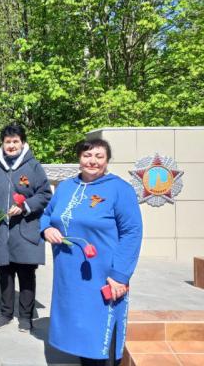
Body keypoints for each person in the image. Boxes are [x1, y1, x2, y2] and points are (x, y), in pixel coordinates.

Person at [41, 139, 143, 365]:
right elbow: (47, 214)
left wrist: (120, 275)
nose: (92, 161)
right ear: (79, 158)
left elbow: (132, 232)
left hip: (102, 275)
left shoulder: (119, 189)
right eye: (87, 155)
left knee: (100, 336)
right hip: (69, 277)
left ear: (107, 161)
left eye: (99, 156)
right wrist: (46, 228)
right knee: (79, 330)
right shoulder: (66, 187)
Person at [0, 124, 52, 332]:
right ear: (2, 144)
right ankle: (5, 313)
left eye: (15, 141)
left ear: (22, 143)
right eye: (8, 142)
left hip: (25, 231)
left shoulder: (34, 167)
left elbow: (45, 194)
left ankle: (26, 317)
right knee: (5, 275)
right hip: (1, 232)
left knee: (27, 275)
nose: (11, 146)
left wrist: (24, 207)